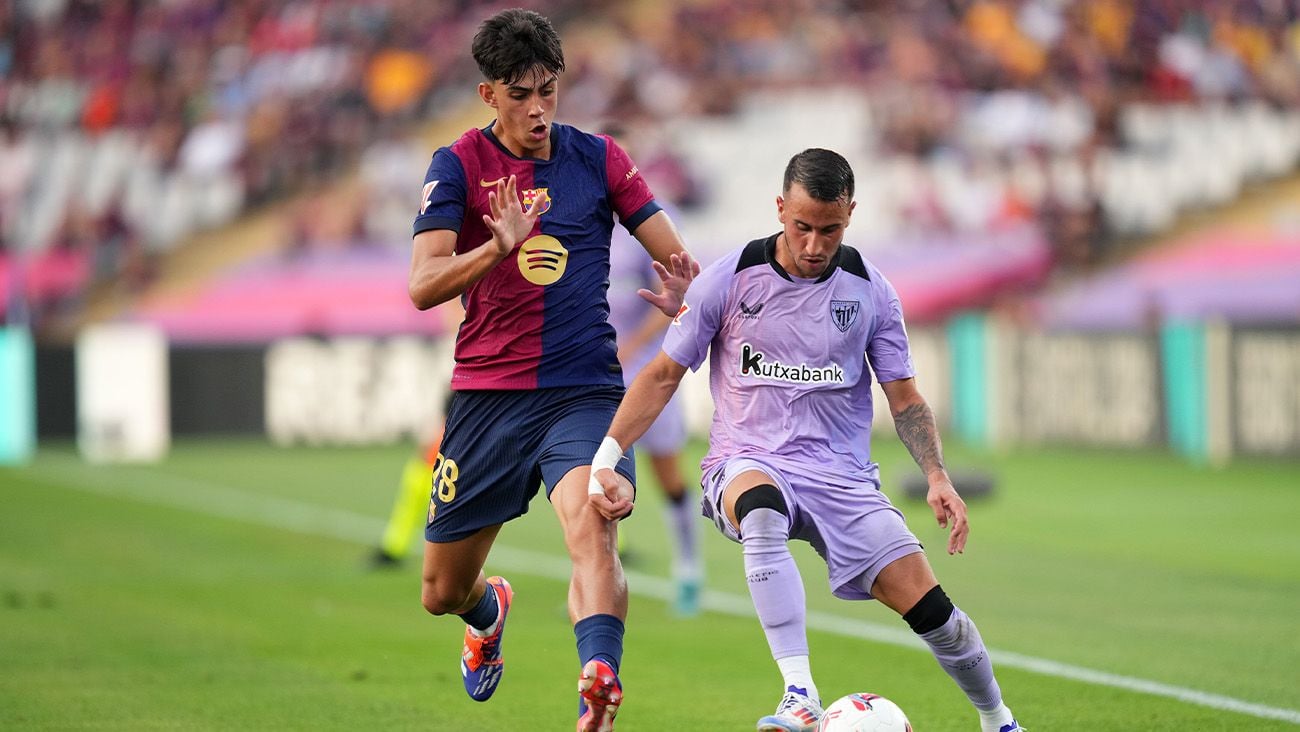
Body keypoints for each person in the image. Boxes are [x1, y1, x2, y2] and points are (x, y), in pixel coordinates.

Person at [590, 149, 1024, 732]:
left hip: (842, 478)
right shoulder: (730, 276)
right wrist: (608, 456)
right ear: (779, 210)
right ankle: (800, 694)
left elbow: (906, 398)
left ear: (850, 216)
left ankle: (999, 720)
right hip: (746, 461)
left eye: (830, 229)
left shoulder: (871, 291)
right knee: (762, 508)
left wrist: (938, 477)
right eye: (801, 227)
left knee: (938, 617)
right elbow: (663, 374)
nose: (815, 244)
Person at [407, 9, 697, 732]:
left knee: (591, 527)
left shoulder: (598, 159)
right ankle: (489, 608)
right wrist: (495, 249)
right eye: (519, 93)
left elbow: (674, 253)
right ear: (488, 95)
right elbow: (422, 285)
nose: (537, 108)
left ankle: (597, 680)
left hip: (585, 392)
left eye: (548, 89)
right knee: (441, 591)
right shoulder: (458, 166)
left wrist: (685, 289)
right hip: (486, 398)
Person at [607, 220, 702, 616]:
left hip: (647, 371)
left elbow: (676, 297)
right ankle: (598, 583)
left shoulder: (646, 227)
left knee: (669, 477)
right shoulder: (570, 214)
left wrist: (630, 346)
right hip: (596, 375)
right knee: (595, 479)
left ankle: (688, 569)